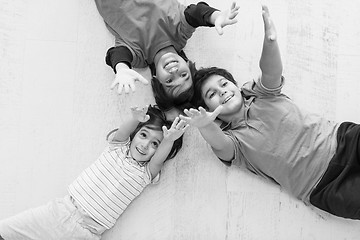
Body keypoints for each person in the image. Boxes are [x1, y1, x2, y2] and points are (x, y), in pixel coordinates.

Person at [180, 5, 360, 220]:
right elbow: (219, 143)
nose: (223, 92)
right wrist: (205, 125)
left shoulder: (260, 95)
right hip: (324, 187)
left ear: (236, 85)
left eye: (224, 84)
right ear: (210, 110)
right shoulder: (234, 142)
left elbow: (271, 71)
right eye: (212, 94)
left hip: (343, 141)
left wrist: (271, 39)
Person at [0, 105, 189, 239]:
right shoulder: (117, 147)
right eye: (143, 135)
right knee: (6, 230)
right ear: (135, 134)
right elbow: (123, 132)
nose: (145, 145)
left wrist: (169, 139)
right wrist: (134, 119)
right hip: (60, 211)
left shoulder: (145, 174)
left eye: (155, 144)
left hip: (87, 232)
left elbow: (158, 160)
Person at [94, 0, 239, 112]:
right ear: (188, 64)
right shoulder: (180, 34)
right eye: (184, 74)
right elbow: (195, 13)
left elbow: (118, 54)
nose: (174, 71)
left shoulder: (139, 56)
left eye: (169, 80)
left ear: (157, 79)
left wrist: (121, 68)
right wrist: (216, 17)